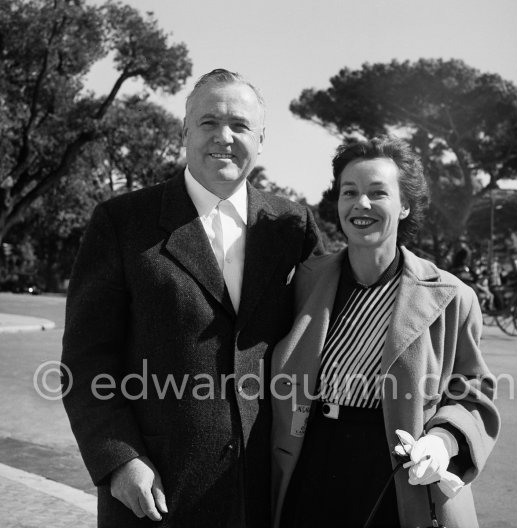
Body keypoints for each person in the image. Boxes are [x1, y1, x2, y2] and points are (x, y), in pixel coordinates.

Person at [61, 68, 322, 528]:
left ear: (261, 140)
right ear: (184, 132)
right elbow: (85, 362)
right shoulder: (121, 222)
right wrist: (119, 461)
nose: (224, 137)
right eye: (208, 122)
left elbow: (327, 332)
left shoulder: (293, 226)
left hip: (265, 493)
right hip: (156, 493)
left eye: (240, 125)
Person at [271, 136, 500, 528]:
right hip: (310, 457)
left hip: (395, 469)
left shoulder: (452, 297)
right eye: (350, 192)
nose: (361, 204)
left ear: (405, 204)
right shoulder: (303, 282)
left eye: (378, 193)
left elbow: (472, 393)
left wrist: (441, 442)